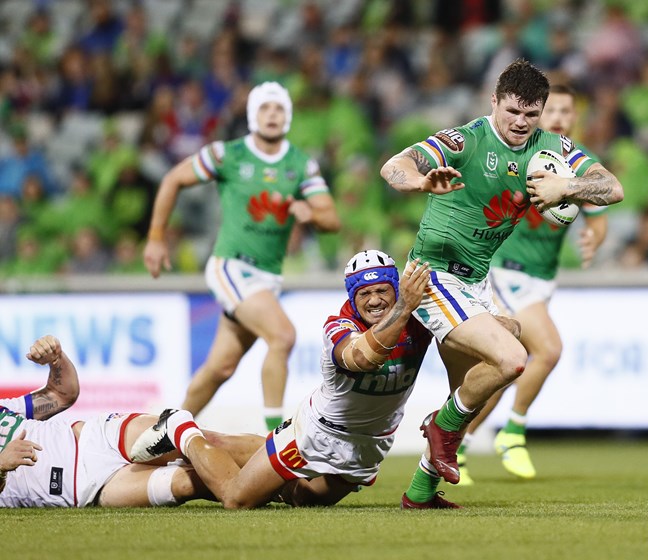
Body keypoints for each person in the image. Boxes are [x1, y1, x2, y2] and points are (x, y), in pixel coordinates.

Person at [379, 58, 623, 503]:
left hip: (476, 282)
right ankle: (439, 427)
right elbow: (395, 165)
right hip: (432, 274)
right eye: (512, 111)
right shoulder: (467, 139)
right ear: (494, 101)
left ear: (543, 111)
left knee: (467, 391)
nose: (520, 123)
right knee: (513, 359)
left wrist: (565, 188)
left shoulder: (551, 148)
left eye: (531, 115)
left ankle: (420, 492)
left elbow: (613, 187)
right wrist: (419, 183)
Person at [129, 250, 442, 509]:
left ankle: (233, 457)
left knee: (301, 498)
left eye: (381, 291)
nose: (374, 300)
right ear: (352, 296)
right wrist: (403, 307)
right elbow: (362, 358)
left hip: (369, 446)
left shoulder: (418, 319)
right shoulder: (338, 327)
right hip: (314, 435)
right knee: (238, 500)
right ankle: (181, 429)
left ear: (395, 289)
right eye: (365, 293)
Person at [143, 82, 341, 431]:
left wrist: (310, 212)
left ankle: (166, 432)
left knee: (220, 367)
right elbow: (173, 179)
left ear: (288, 116)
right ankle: (275, 437)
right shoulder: (227, 154)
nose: (272, 115)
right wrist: (156, 237)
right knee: (283, 336)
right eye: (265, 108)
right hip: (232, 267)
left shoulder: (300, 165)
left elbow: (331, 219)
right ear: (252, 115)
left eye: (278, 109)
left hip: (267, 277)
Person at [456, 84, 609, 484]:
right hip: (508, 269)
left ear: (574, 118)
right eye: (551, 110)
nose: (558, 117)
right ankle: (513, 433)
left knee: (506, 369)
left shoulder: (572, 162)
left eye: (565, 111)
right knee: (549, 348)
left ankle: (457, 444)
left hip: (542, 277)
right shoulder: (521, 153)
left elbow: (599, 208)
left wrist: (597, 237)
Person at [0, 335, 261, 508]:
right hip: (90, 491)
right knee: (187, 483)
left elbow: (61, 394)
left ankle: (285, 453)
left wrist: (57, 360)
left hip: (97, 439)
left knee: (211, 442)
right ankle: (285, 485)